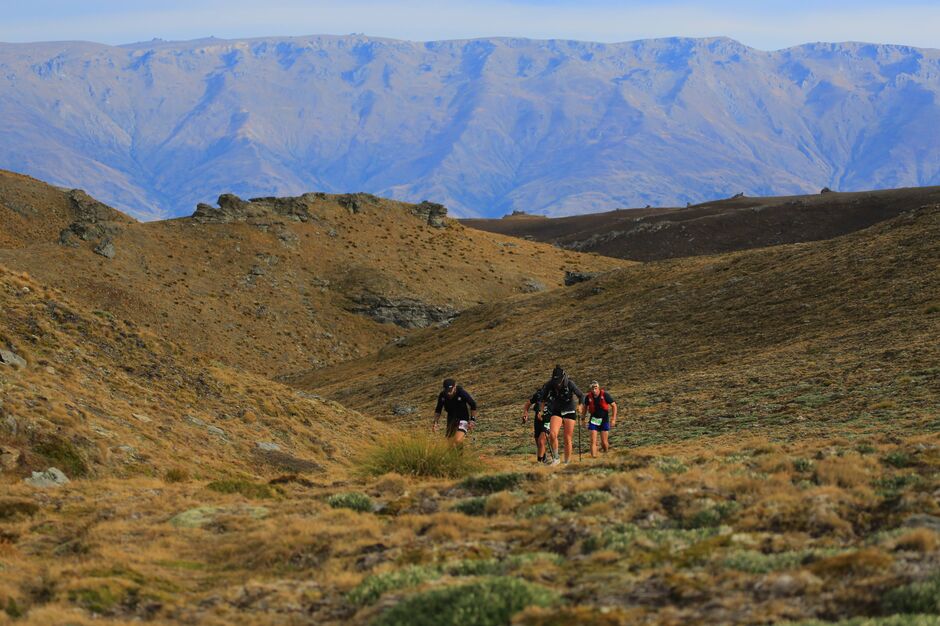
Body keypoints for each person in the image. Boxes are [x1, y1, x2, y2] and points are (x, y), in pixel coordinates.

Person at [539, 365, 584, 465]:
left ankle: (567, 462)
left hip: (569, 410)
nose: (557, 383)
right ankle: (556, 458)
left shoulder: (570, 384)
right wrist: (541, 411)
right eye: (555, 380)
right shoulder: (550, 384)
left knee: (567, 438)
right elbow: (542, 399)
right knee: (552, 434)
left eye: (559, 380)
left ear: (563, 377)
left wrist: (580, 405)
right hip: (557, 410)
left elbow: (581, 395)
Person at [433, 378, 477, 444]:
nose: (449, 392)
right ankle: (458, 454)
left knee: (457, 440)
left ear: (455, 387)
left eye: (451, 390)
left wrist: (472, 420)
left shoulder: (461, 393)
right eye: (447, 390)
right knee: (450, 443)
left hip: (463, 418)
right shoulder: (442, 395)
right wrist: (435, 422)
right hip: (451, 418)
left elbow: (473, 404)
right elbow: (438, 409)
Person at [582, 381, 617, 458]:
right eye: (592, 388)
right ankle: (594, 458)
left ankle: (606, 453)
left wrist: (613, 419)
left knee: (604, 442)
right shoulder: (588, 397)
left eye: (595, 388)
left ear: (598, 388)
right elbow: (585, 408)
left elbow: (614, 405)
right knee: (593, 441)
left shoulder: (605, 395)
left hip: (604, 420)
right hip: (594, 420)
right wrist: (583, 419)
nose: (594, 390)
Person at [521, 388, 550, 464]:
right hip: (537, 420)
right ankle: (544, 459)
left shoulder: (554, 395)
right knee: (538, 441)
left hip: (548, 420)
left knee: (541, 441)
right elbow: (528, 403)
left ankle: (539, 463)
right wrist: (525, 413)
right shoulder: (538, 394)